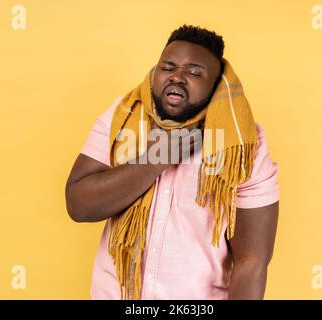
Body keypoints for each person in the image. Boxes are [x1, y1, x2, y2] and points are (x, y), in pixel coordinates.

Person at [65, 25, 280, 300]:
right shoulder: (121, 117)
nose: (177, 77)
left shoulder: (243, 143)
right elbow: (79, 205)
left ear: (216, 86)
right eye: (167, 67)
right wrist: (156, 160)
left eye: (194, 72)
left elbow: (252, 261)